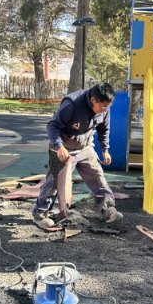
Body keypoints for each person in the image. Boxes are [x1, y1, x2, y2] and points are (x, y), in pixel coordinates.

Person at [32, 82, 123, 229]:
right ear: (93, 100)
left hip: (85, 146)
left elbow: (104, 129)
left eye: (108, 107)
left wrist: (105, 149)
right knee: (53, 182)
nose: (105, 110)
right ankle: (40, 214)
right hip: (64, 147)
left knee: (97, 176)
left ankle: (107, 209)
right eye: (103, 107)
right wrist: (59, 147)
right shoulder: (72, 104)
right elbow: (52, 126)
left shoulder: (104, 108)